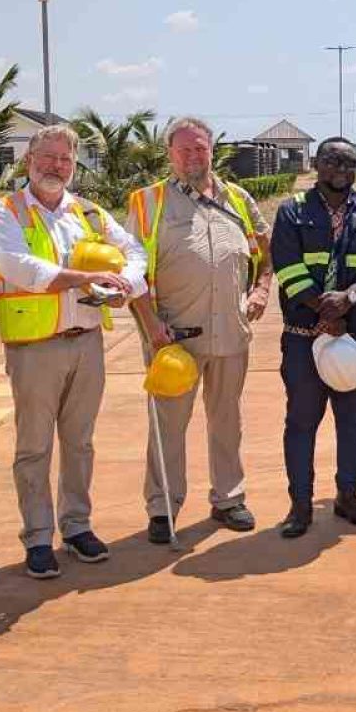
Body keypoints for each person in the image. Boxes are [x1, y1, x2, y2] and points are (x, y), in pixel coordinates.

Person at [0, 124, 147, 579]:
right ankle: (37, 536)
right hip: (35, 349)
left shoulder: (89, 213)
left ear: (75, 165)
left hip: (86, 342)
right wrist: (82, 279)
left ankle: (76, 526)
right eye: (47, 157)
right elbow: (18, 265)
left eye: (65, 160)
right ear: (28, 160)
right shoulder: (6, 212)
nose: (56, 166)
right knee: (34, 446)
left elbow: (134, 251)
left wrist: (125, 287)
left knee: (80, 442)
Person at [125, 116, 273, 543]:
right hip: (173, 338)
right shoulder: (147, 203)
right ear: (170, 154)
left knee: (227, 420)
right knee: (168, 425)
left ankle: (229, 498)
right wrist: (151, 325)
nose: (194, 156)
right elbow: (132, 272)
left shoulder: (238, 198)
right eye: (184, 149)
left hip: (230, 333)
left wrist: (262, 289)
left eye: (201, 148)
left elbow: (265, 251)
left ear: (212, 151)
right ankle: (163, 506)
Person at [272, 138, 356, 537]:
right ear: (317, 164)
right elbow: (287, 269)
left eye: (348, 161)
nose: (340, 167)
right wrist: (323, 314)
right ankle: (301, 505)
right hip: (304, 334)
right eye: (331, 160)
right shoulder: (292, 212)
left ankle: (348, 495)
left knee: (354, 421)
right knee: (302, 422)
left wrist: (350, 299)